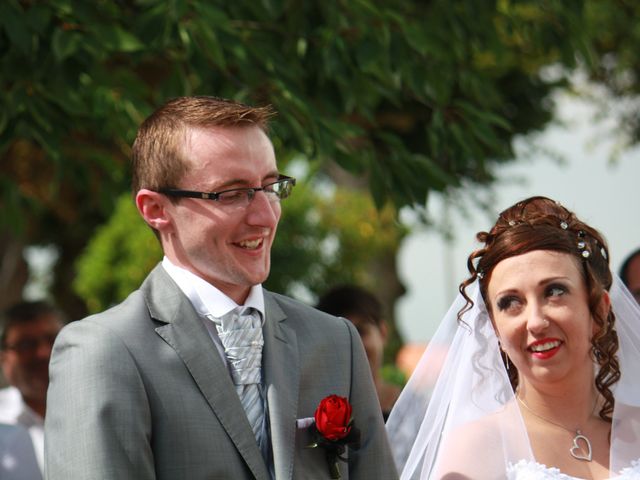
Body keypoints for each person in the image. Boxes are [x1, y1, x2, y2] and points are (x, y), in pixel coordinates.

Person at [45, 96, 397, 480]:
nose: (265, 216)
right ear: (156, 210)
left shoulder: (335, 342)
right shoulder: (104, 351)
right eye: (231, 193)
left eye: (270, 186)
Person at [386, 196, 640, 479]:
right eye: (510, 302)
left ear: (599, 311)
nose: (536, 322)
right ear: (494, 329)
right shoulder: (475, 449)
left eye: (554, 292)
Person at [316, 285, 401, 420]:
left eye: (360, 331)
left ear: (383, 333)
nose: (353, 344)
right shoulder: (309, 412)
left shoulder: (417, 409)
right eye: (339, 334)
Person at [0, 300, 64, 478]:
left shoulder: (101, 406)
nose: (43, 353)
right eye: (26, 345)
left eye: (53, 339)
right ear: (3, 358)